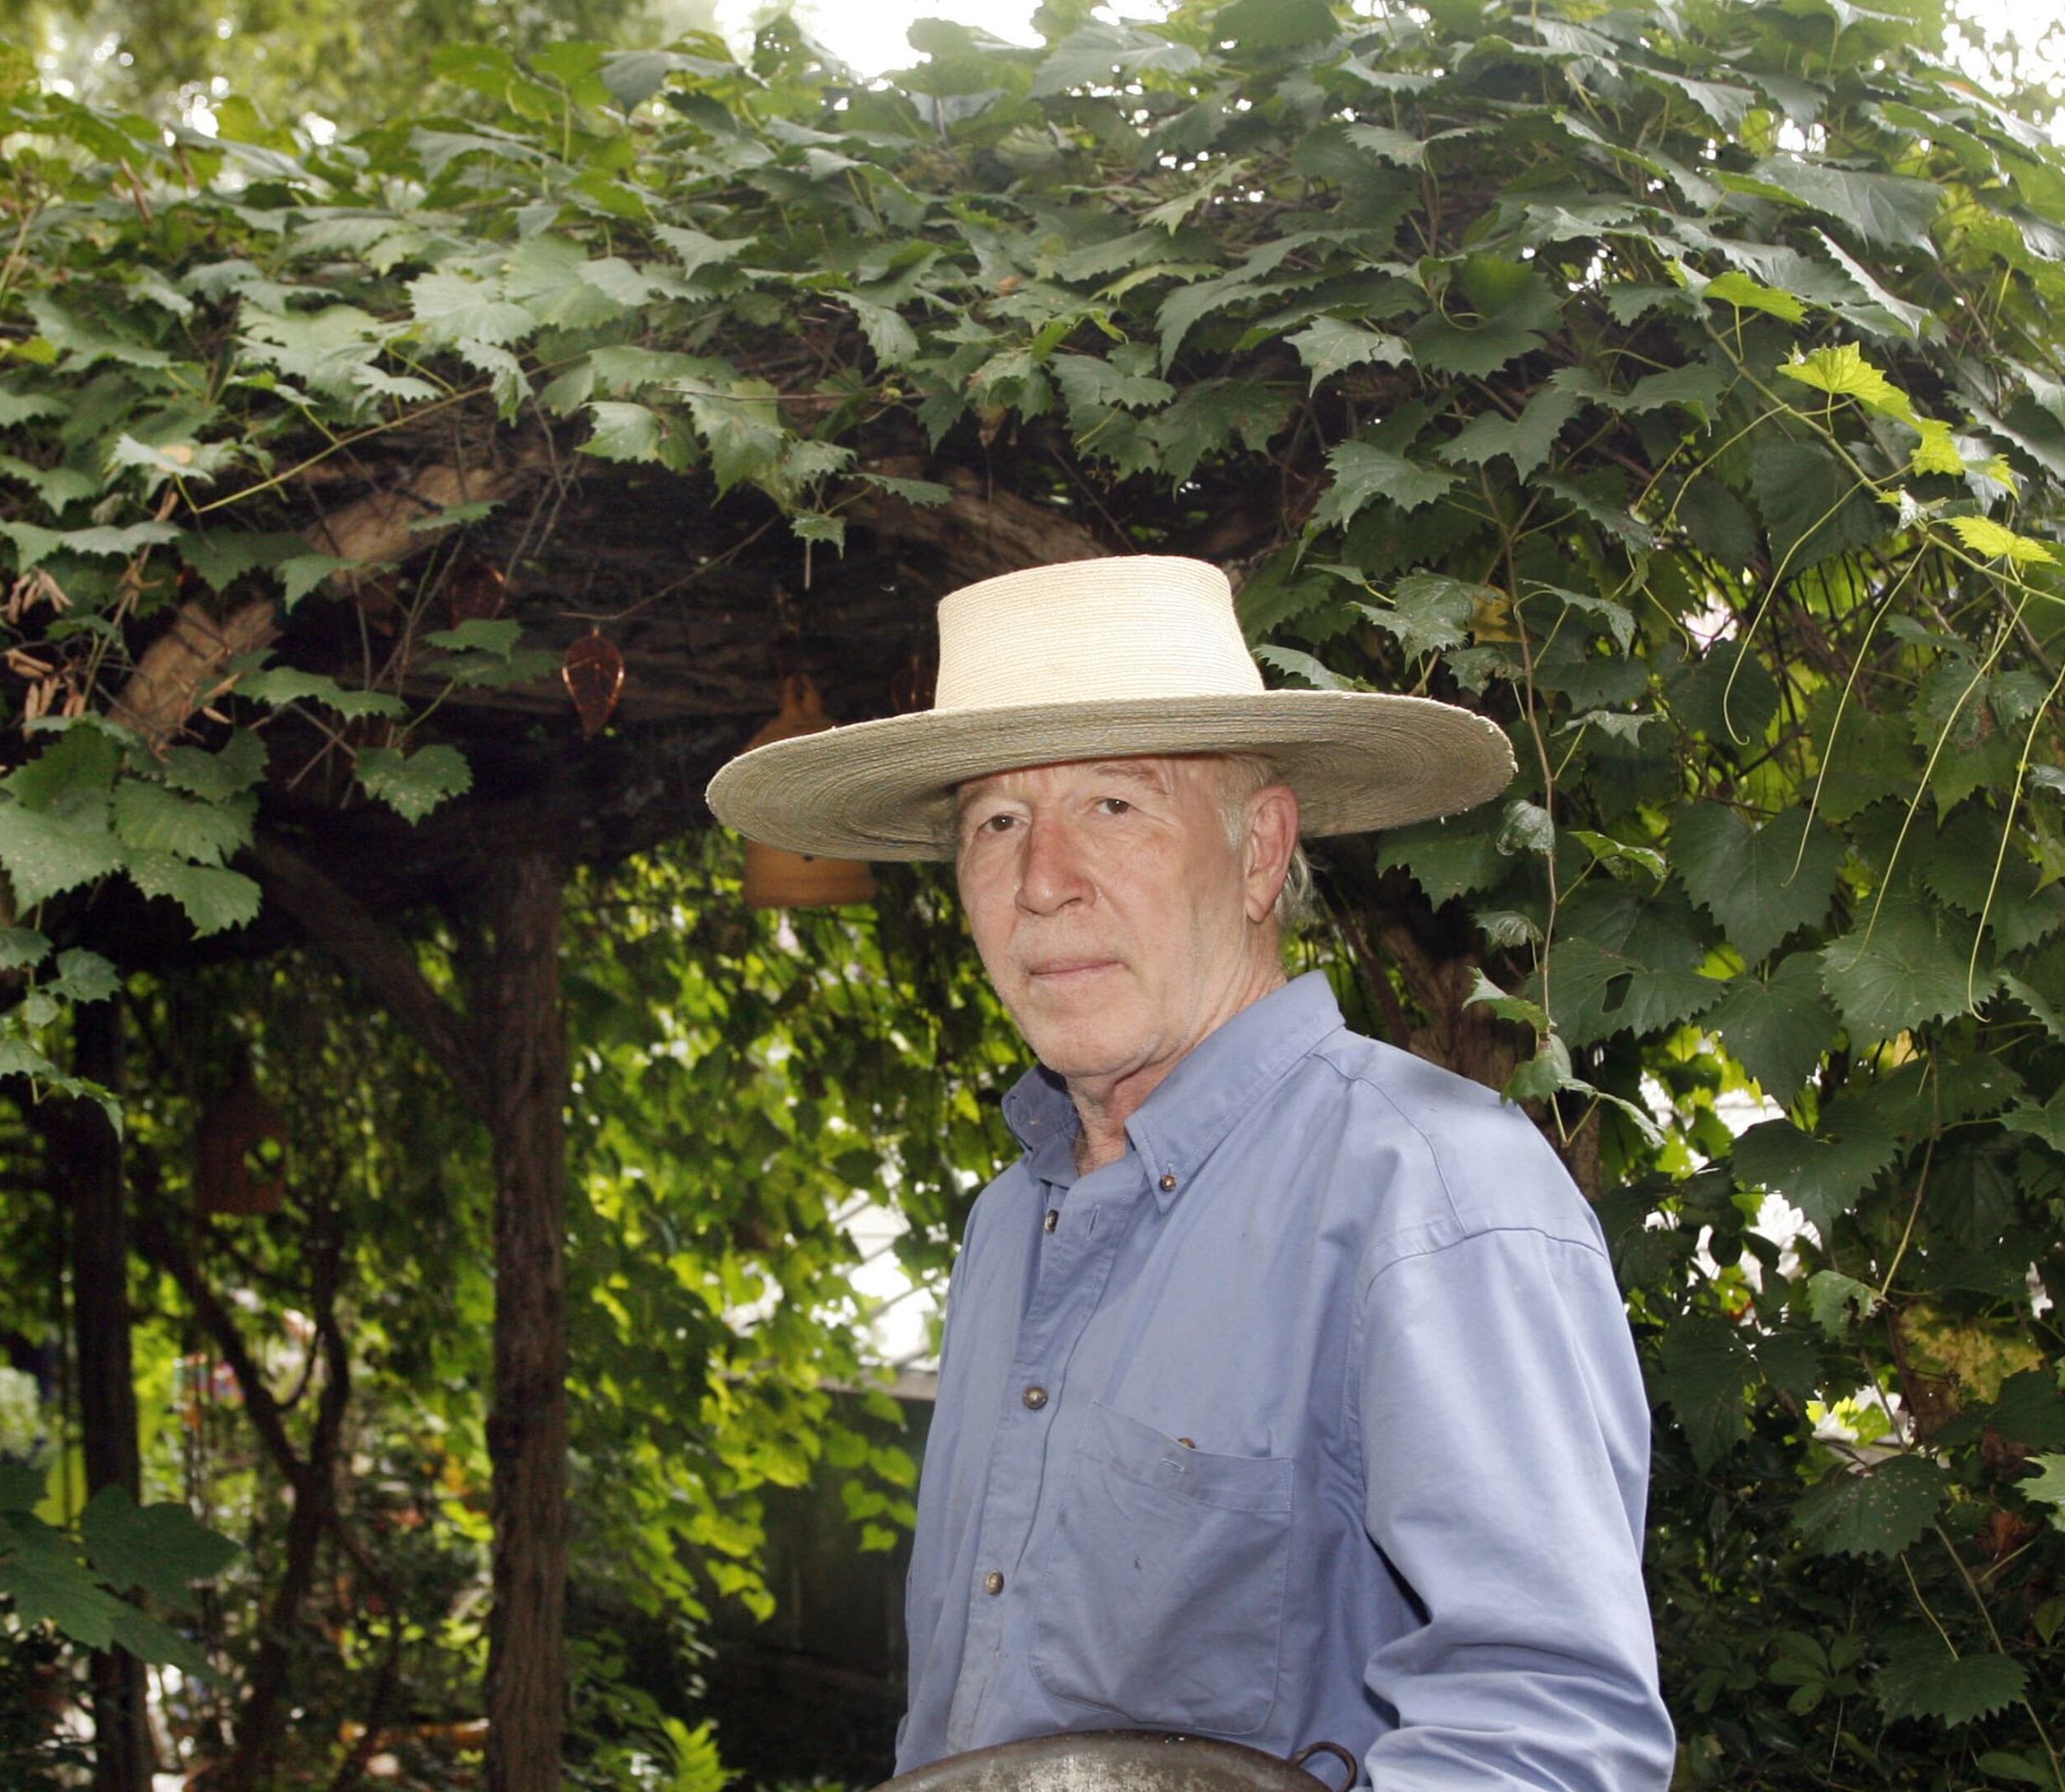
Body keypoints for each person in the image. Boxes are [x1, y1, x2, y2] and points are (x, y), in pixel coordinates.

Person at [704, 555, 1672, 1790]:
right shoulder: (1013, 1224)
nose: (1044, 881)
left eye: (1115, 805)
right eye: (997, 823)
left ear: (1262, 850)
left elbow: (1547, 1742)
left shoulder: (1428, 1196)